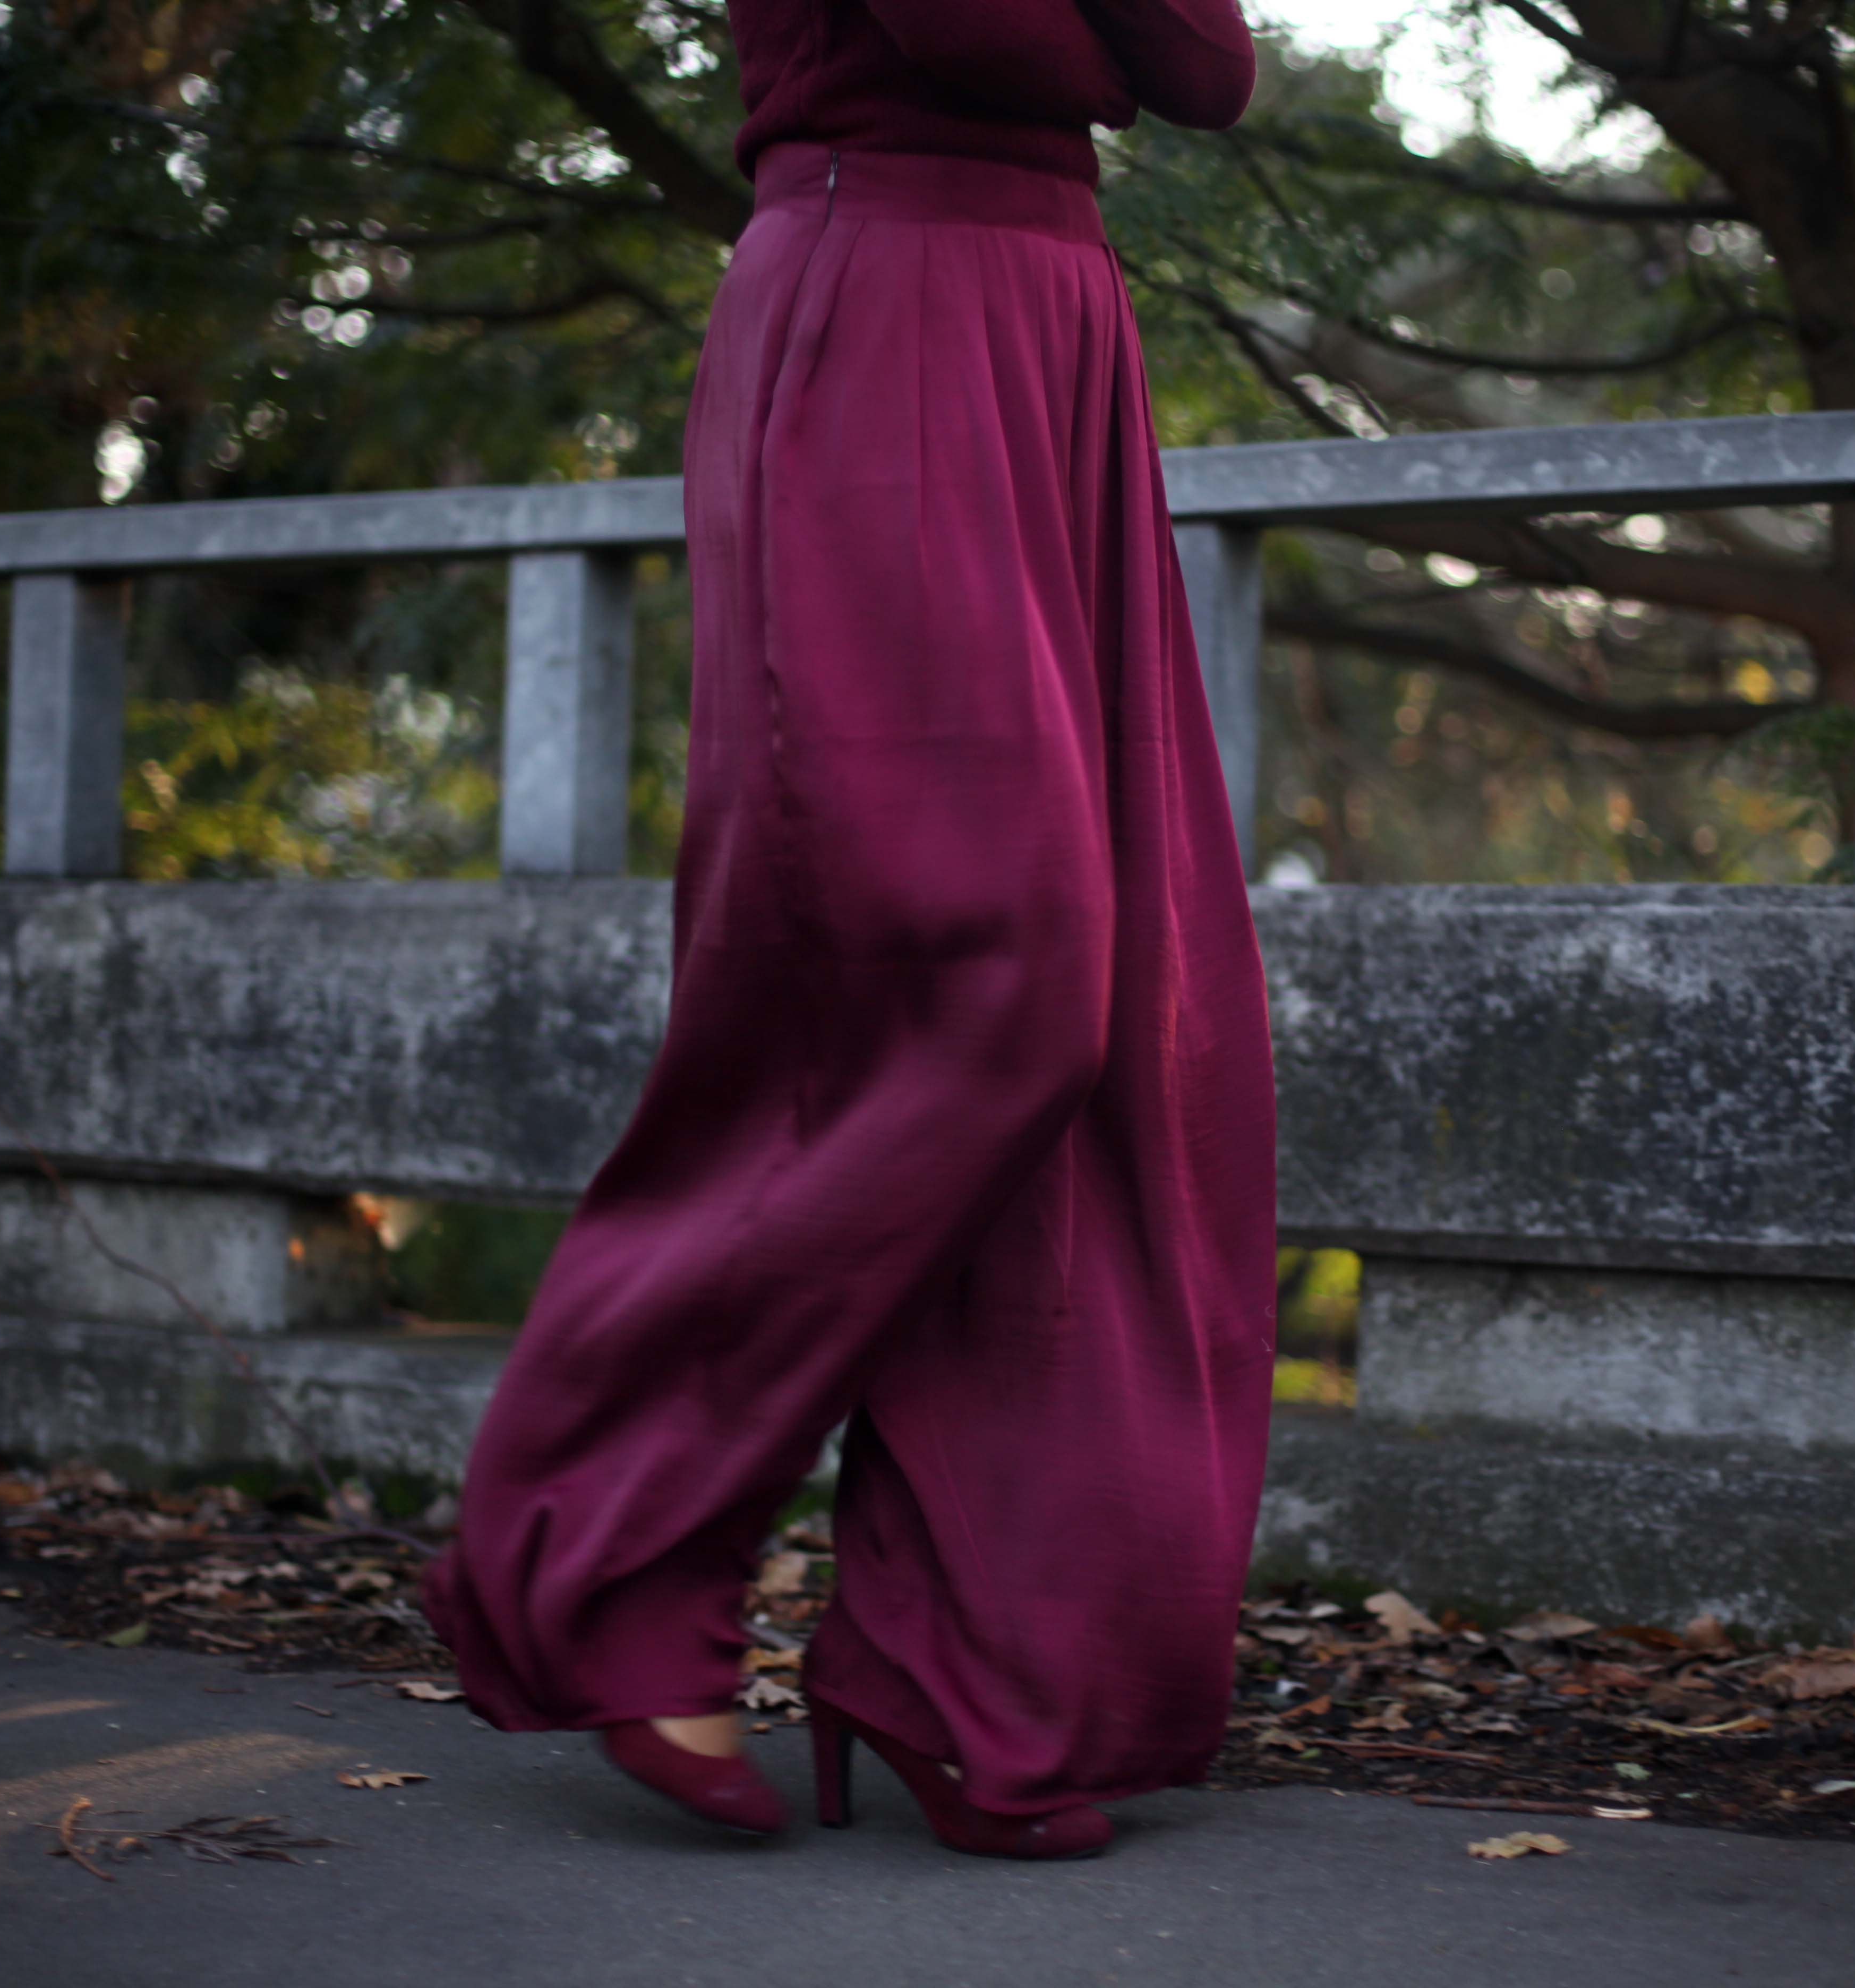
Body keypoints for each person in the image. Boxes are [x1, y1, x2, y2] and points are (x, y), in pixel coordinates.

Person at [418, 0, 1271, 1863]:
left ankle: (976, 1675)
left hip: (1056, 332)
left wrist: (1112, 52)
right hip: (879, 305)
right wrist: (1108, 53)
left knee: (1113, 1025)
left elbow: (1204, 71)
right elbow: (994, 34)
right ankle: (606, 1550)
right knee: (979, 968)